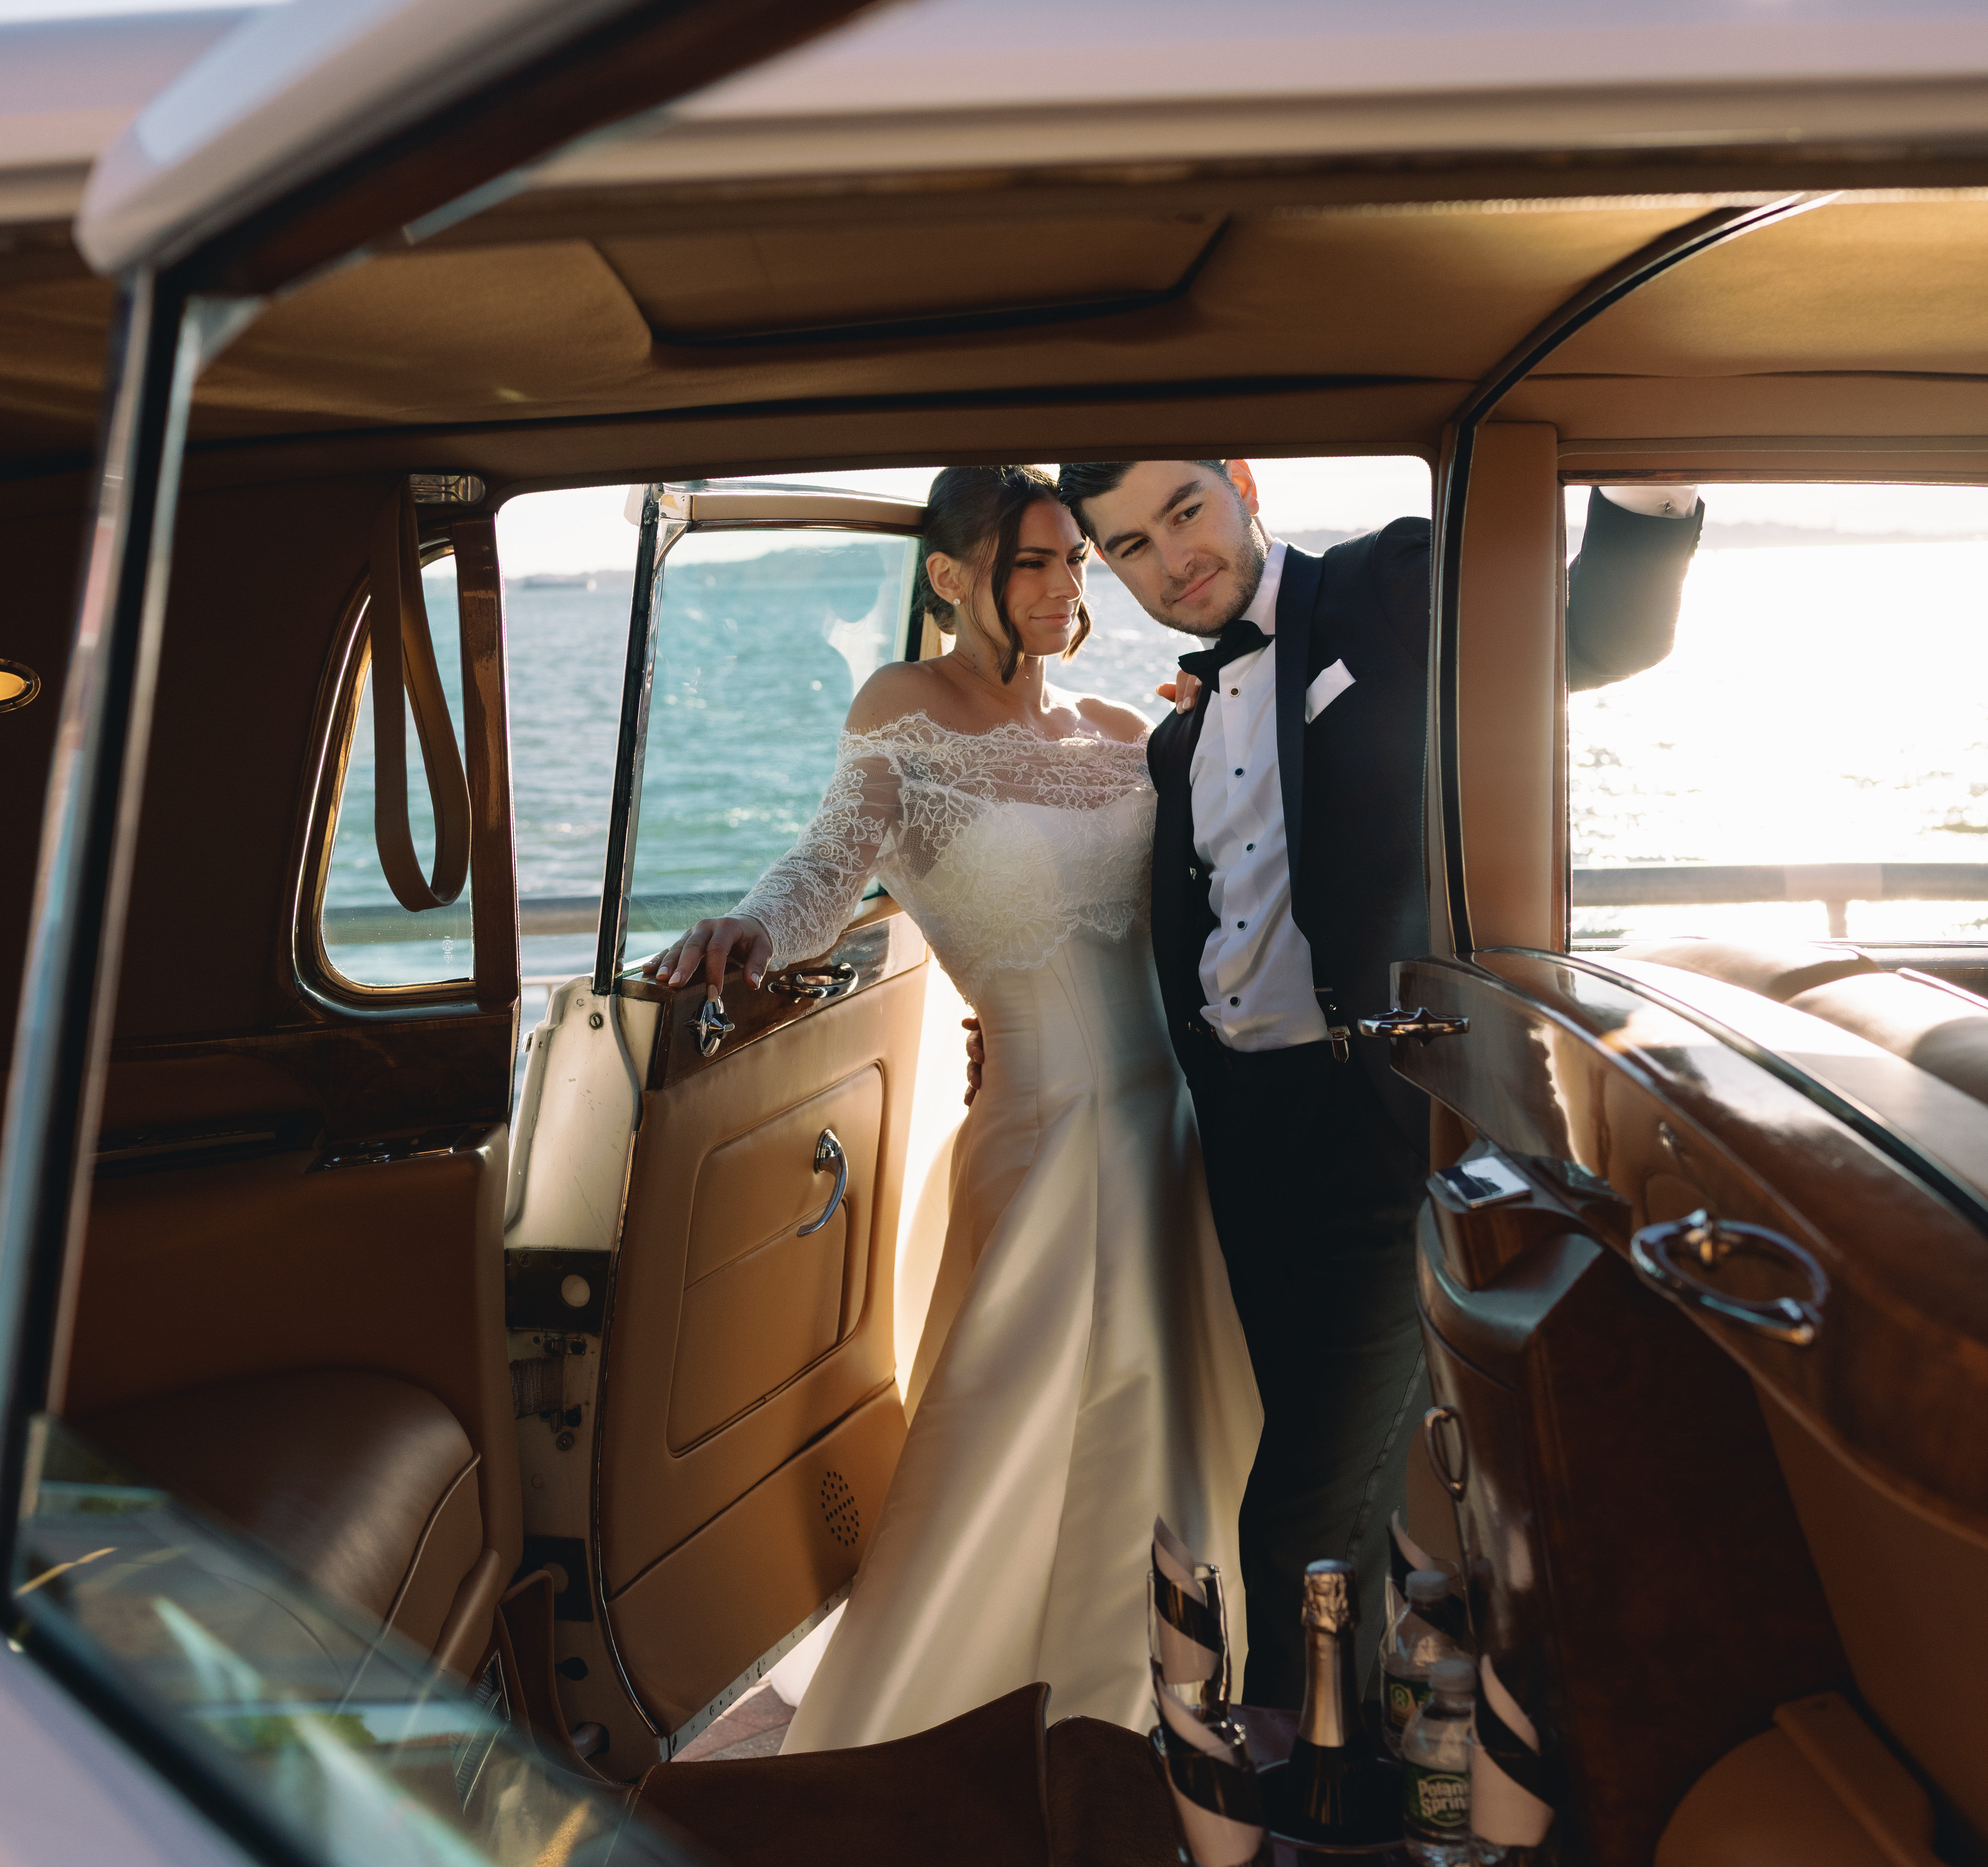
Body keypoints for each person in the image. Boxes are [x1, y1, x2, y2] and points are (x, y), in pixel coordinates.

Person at [1052, 457, 1702, 1702]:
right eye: (1130, 546)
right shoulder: (1177, 735)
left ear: (1244, 486)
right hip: (1246, 1143)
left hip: (1380, 1132)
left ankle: (1297, 1792)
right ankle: (1382, 1757)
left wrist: (1650, 494)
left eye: (1186, 511)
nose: (1173, 560)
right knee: (1334, 1470)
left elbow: (1592, 639)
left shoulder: (1388, 585)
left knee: (1298, 1515)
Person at [647, 466, 1258, 1752]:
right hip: (1049, 1136)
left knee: (1186, 1420)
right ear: (949, 577)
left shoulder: (1117, 724)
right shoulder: (904, 711)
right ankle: (1013, 1708)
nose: (1065, 587)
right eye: (1032, 562)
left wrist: (1220, 725)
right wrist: (749, 928)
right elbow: (828, 865)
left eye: (1076, 561)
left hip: (1180, 1128)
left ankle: (1185, 1694)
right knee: (1032, 1435)